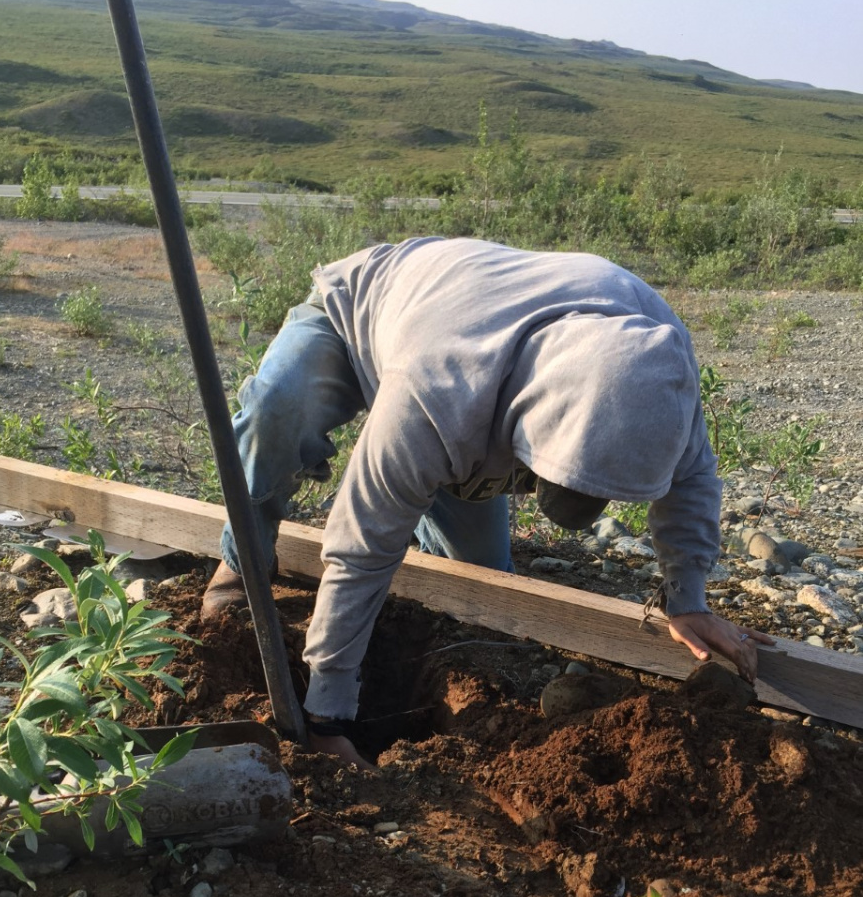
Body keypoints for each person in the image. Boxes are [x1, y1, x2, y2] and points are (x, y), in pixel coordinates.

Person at [202, 236, 771, 767]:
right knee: (276, 414)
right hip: (360, 311)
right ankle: (241, 559)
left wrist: (686, 598)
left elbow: (693, 479)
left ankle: (434, 505)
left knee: (481, 585)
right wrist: (327, 716)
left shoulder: (660, 361)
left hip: (479, 362)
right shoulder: (437, 390)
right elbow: (360, 547)